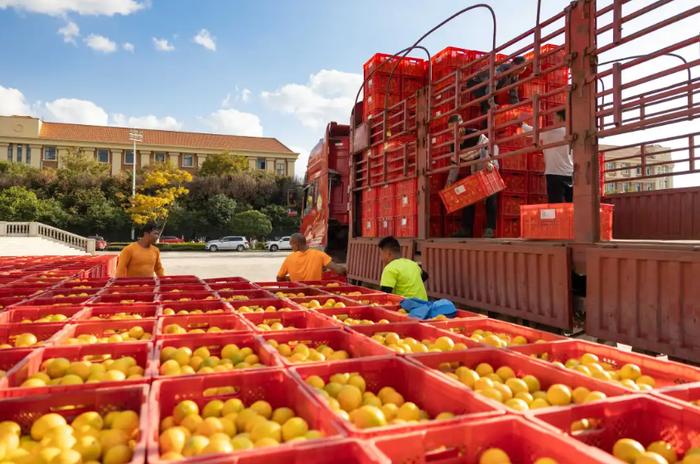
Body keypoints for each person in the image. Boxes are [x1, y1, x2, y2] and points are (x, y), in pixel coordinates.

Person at [447, 127, 500, 238]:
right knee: (469, 195)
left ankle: (490, 228)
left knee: (491, 195)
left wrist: (490, 162)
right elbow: (454, 165)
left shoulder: (475, 135)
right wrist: (450, 182)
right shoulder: (454, 146)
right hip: (475, 170)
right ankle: (466, 229)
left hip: (487, 165)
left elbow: (491, 146)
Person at [521, 109, 573, 203]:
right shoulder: (572, 132)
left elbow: (534, 133)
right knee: (572, 205)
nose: (553, 119)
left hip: (555, 173)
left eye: (554, 116)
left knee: (556, 205)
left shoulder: (554, 131)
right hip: (571, 173)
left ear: (560, 118)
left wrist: (522, 124)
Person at [466, 56, 527, 121]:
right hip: (477, 82)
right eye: (519, 69)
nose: (520, 72)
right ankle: (486, 128)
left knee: (495, 106)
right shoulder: (499, 70)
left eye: (522, 70)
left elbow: (513, 91)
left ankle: (490, 126)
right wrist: (491, 103)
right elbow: (490, 86)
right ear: (512, 64)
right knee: (488, 104)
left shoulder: (515, 74)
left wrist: (516, 107)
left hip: (493, 86)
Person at [276, 233, 346, 282]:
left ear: (296, 244)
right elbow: (339, 270)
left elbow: (279, 278)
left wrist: (289, 279)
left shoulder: (289, 258)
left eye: (291, 245)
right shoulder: (319, 255)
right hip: (315, 293)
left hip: (297, 293)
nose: (291, 247)